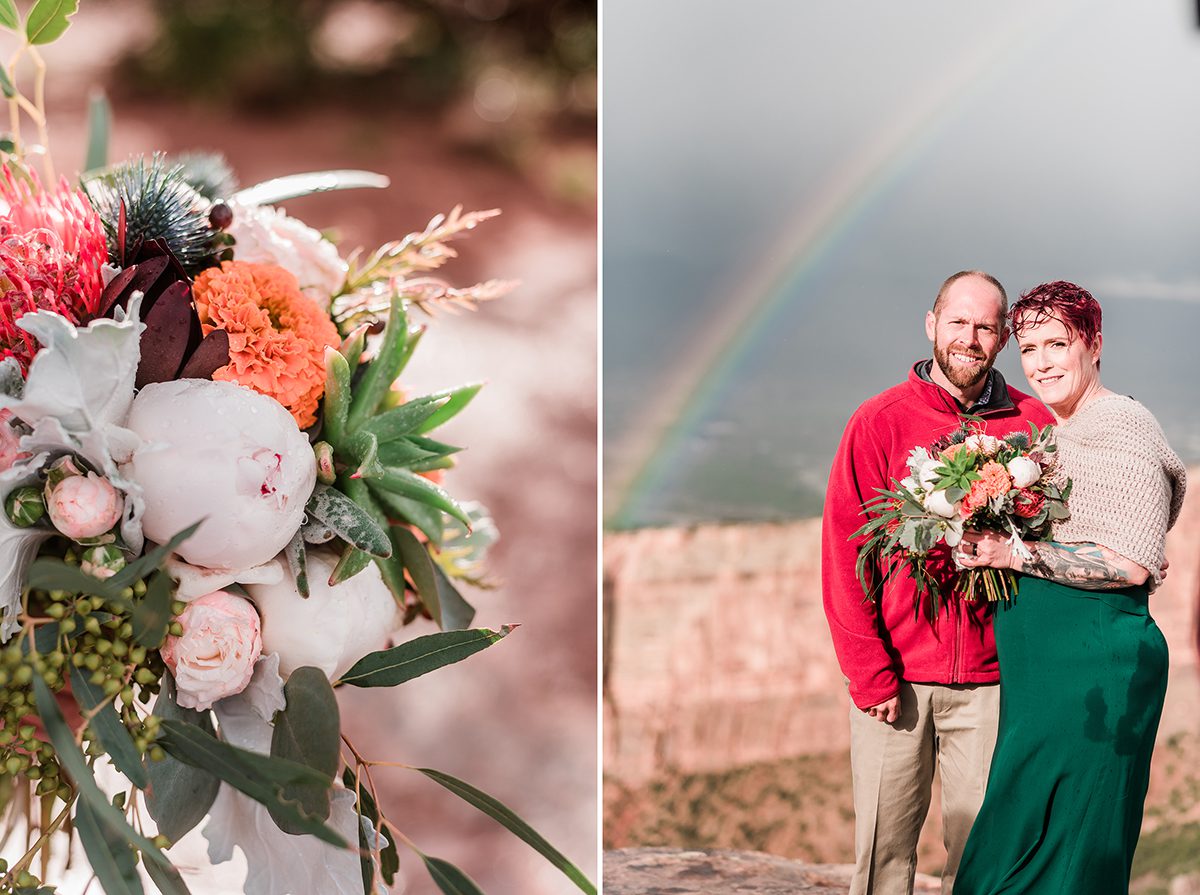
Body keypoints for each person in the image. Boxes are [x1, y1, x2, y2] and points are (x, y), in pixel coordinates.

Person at [822, 270, 1053, 895]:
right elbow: (846, 557)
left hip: (991, 686)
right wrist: (868, 671)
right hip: (896, 681)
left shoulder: (1031, 426)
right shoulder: (878, 422)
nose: (969, 338)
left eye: (984, 326)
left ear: (1002, 337)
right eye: (958, 322)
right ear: (931, 325)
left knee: (982, 856)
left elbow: (1055, 547)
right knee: (882, 853)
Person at [952, 281, 1186, 894]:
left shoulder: (1123, 425)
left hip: (1096, 681)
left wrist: (1013, 550)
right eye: (1028, 348)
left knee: (1069, 858)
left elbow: (1130, 563)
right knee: (1015, 846)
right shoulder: (1055, 434)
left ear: (1095, 344)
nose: (1041, 363)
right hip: (1046, 680)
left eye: (1058, 343)